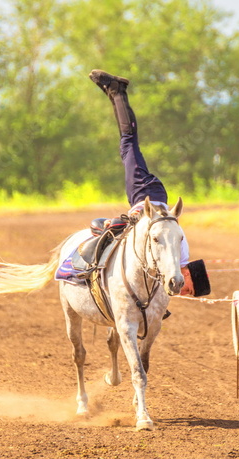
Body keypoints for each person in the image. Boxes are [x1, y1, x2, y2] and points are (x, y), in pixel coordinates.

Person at [88, 69, 210, 297]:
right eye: (188, 289)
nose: (182, 293)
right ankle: (117, 91)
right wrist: (118, 223)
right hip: (147, 193)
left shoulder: (176, 257)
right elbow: (152, 228)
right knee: (128, 143)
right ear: (189, 275)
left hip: (146, 194)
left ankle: (114, 93)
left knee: (128, 146)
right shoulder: (178, 253)